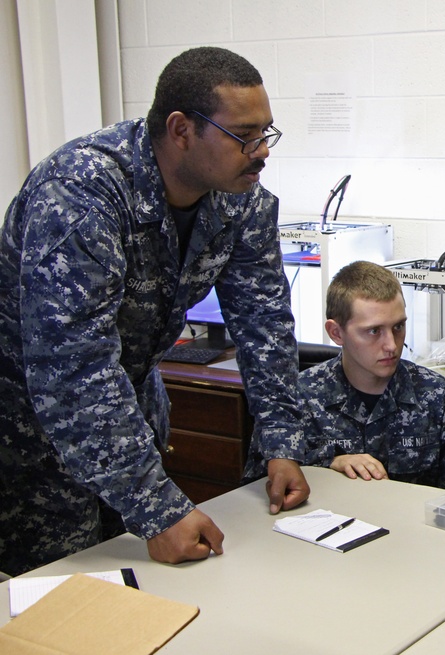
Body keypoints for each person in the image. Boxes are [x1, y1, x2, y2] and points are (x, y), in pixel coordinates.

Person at [0, 47, 311, 577]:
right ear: (181, 129)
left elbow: (265, 326)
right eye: (244, 136)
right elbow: (73, 369)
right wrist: (156, 506)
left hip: (129, 421)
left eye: (267, 133)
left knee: (149, 594)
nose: (261, 152)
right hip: (34, 439)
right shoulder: (82, 193)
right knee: (66, 602)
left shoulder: (243, 202)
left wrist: (281, 442)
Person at [271, 260, 445, 490]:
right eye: (374, 331)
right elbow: (259, 483)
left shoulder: (439, 398)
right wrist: (328, 463)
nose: (391, 346)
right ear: (336, 333)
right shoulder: (297, 399)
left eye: (398, 327)